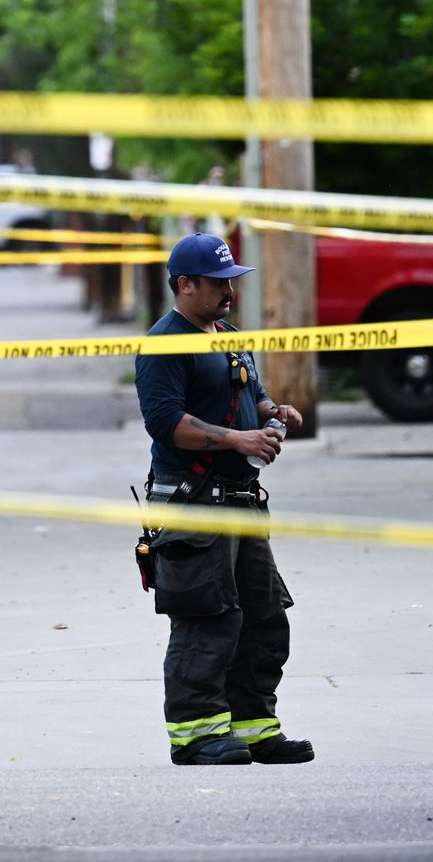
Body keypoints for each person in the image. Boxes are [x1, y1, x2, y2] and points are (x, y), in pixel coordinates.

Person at [135, 232, 314, 766]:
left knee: (263, 617)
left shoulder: (229, 336)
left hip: (240, 502)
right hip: (192, 506)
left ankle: (254, 728)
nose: (230, 291)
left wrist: (274, 412)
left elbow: (248, 395)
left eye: (232, 280)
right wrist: (238, 440)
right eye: (218, 283)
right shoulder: (165, 343)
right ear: (185, 285)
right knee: (205, 619)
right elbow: (166, 423)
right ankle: (195, 736)